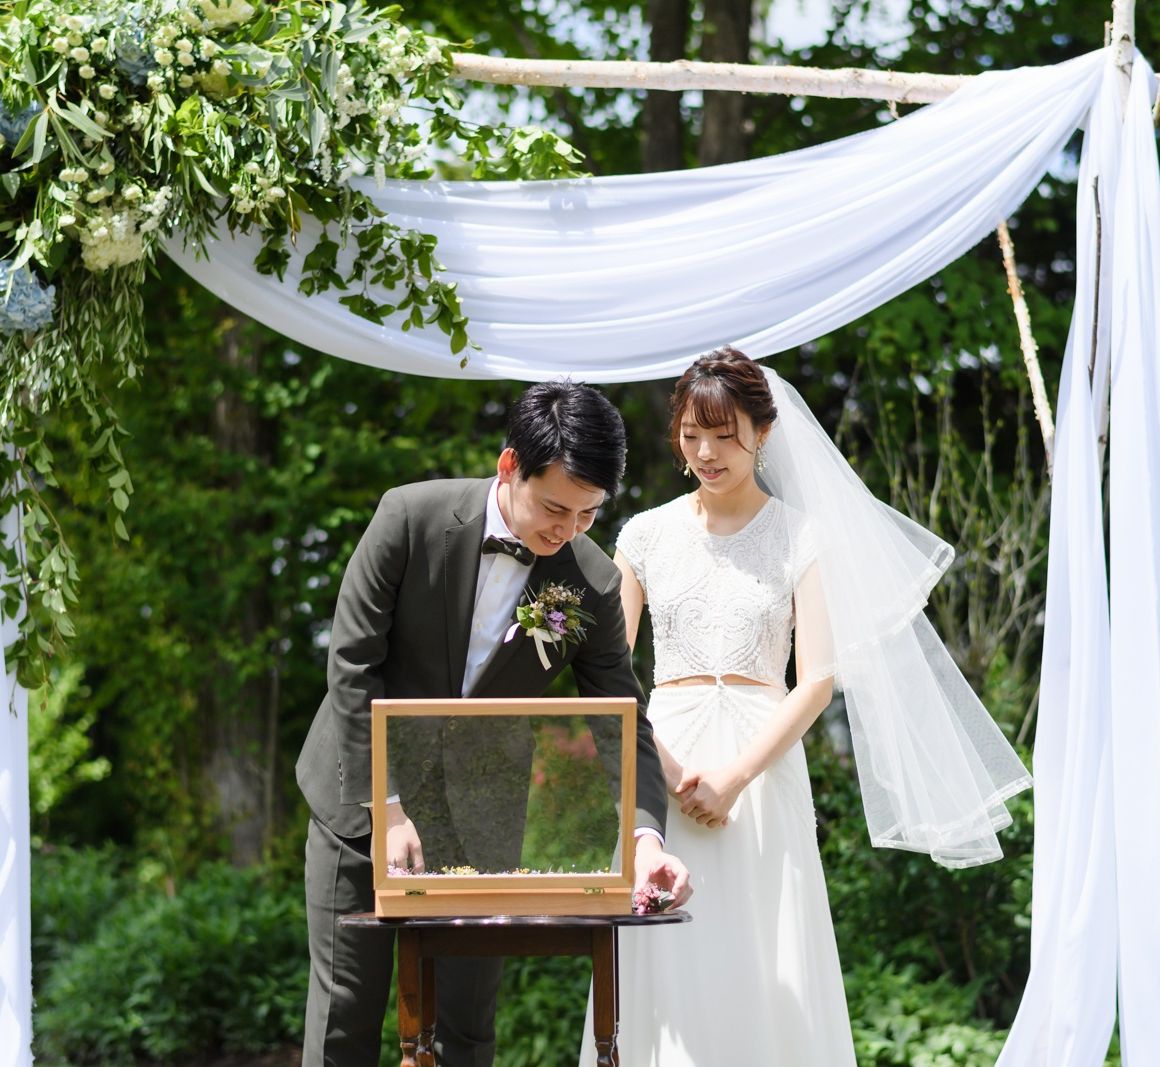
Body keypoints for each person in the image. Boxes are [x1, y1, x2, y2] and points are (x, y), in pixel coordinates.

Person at [578, 347, 1031, 1066]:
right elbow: (610, 671)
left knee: (767, 959)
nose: (706, 452)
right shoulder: (642, 536)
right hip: (660, 766)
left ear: (763, 432)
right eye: (692, 434)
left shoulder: (801, 535)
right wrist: (669, 769)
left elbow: (816, 678)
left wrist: (734, 778)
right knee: (663, 967)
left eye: (724, 436)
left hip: (761, 768)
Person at [297, 379, 691, 1067]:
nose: (567, 530)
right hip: (358, 803)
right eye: (554, 507)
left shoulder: (592, 581)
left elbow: (622, 719)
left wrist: (644, 837)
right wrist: (386, 805)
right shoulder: (407, 517)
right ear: (510, 466)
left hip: (481, 818)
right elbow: (352, 665)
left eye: (589, 514)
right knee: (344, 1020)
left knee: (467, 1032)